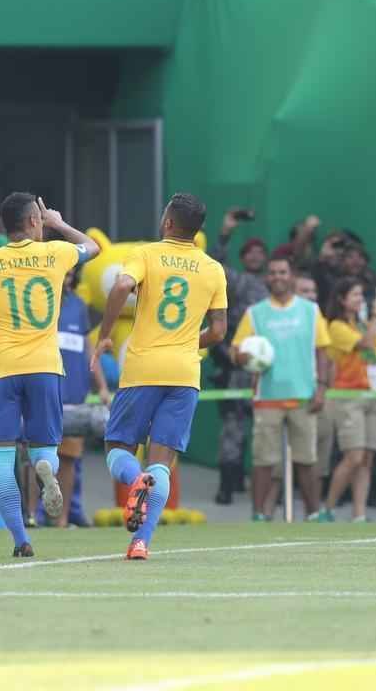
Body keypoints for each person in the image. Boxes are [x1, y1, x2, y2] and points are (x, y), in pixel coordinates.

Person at [0, 192, 99, 557]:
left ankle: (21, 540)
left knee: (2, 460)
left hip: (3, 367)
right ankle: (45, 466)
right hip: (45, 367)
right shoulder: (56, 254)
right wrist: (59, 223)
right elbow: (93, 246)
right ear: (35, 221)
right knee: (44, 448)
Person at [92, 193, 227, 559]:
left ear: (168, 222)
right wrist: (185, 342)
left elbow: (121, 286)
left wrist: (104, 335)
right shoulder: (213, 268)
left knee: (117, 449)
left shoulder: (146, 254)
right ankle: (141, 542)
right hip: (185, 372)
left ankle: (134, 479)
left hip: (143, 368)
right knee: (162, 462)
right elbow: (218, 331)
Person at [230, 257, 331, 521]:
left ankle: (313, 513)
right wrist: (240, 357)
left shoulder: (311, 311)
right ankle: (258, 515)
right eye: (273, 272)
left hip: (304, 396)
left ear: (292, 276)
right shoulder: (255, 313)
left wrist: (321, 388)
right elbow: (235, 349)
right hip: (267, 396)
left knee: (307, 459)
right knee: (264, 460)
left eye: (283, 272)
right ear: (267, 277)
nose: (278, 277)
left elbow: (322, 352)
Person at [314, 278, 376, 523]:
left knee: (367, 458)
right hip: (349, 397)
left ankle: (359, 514)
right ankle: (328, 509)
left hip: (374, 395)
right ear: (342, 299)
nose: (361, 299)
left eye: (361, 295)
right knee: (354, 456)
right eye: (355, 295)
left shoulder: (363, 324)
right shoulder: (336, 326)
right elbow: (367, 343)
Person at [210, 209, 269, 505]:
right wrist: (225, 234)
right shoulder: (239, 282)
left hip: (270, 370)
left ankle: (265, 486)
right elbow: (215, 266)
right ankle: (227, 483)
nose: (256, 256)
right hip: (238, 366)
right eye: (250, 252)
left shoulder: (277, 284)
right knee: (233, 427)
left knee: (266, 427)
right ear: (244, 258)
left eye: (261, 252)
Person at [53, 263, 110, 527]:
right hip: (44, 395)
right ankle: (31, 515)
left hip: (75, 397)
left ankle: (62, 520)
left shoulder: (79, 306)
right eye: (62, 274)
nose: (66, 279)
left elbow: (89, 351)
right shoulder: (39, 303)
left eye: (70, 275)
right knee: (35, 458)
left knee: (68, 459)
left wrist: (102, 387)